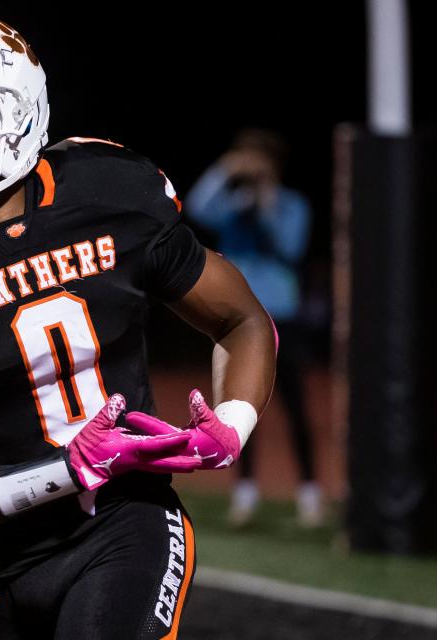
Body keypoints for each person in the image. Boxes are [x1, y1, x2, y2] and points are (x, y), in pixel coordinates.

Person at [0, 10, 277, 639]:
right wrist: (65, 469)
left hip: (126, 521)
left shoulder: (106, 192)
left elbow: (242, 320)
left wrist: (232, 426)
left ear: (15, 113)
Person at [185, 129, 321, 527]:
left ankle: (309, 493)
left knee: (295, 408)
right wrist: (226, 170)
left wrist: (267, 203)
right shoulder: (233, 204)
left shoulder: (290, 205)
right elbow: (196, 208)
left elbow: (290, 246)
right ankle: (245, 494)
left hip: (282, 316)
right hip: (237, 321)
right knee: (239, 407)